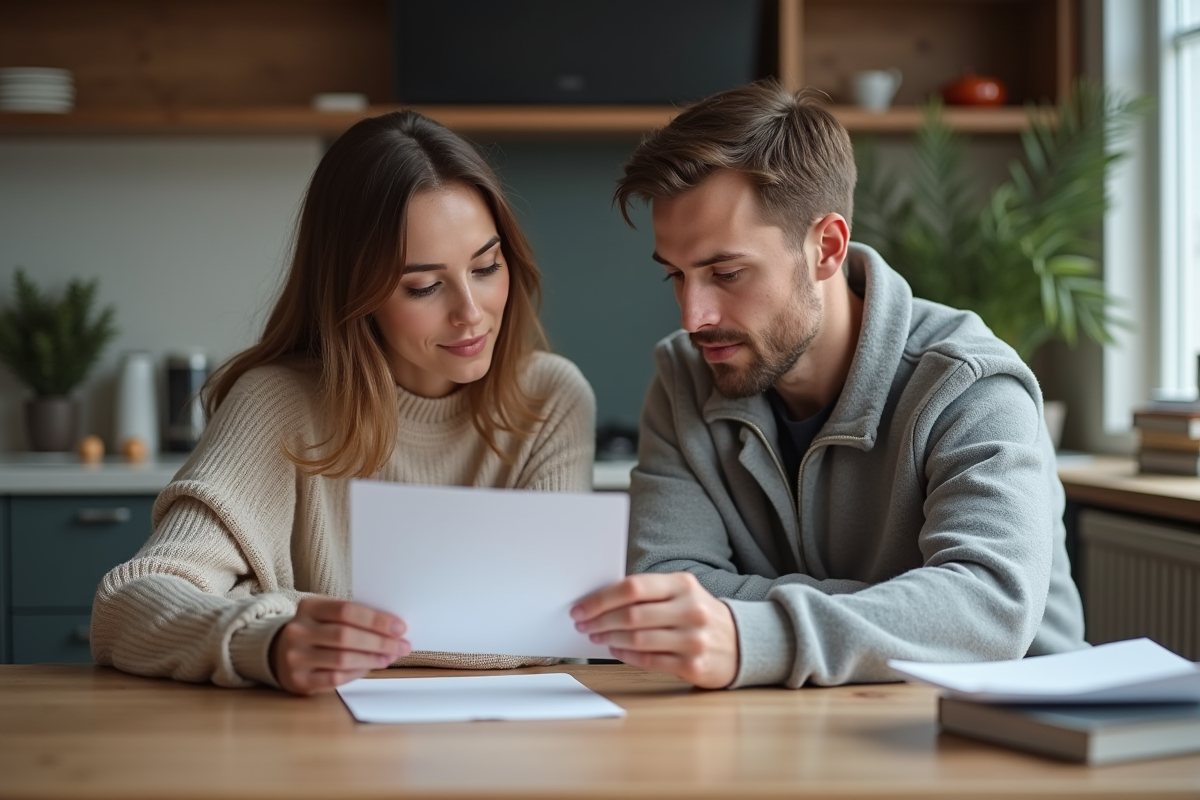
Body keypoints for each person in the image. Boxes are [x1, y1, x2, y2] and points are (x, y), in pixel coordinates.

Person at [571, 79, 1086, 689]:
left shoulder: (969, 386)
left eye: (726, 272)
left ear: (827, 248)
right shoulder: (684, 378)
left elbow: (987, 610)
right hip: (792, 731)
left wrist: (757, 634)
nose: (693, 316)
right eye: (677, 277)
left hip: (999, 741)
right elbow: (669, 586)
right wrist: (902, 605)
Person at [92, 111, 596, 695]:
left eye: (486, 267)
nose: (470, 311)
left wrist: (287, 607)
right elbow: (126, 606)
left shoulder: (551, 398)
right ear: (355, 293)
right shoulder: (278, 404)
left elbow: (551, 623)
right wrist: (270, 640)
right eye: (423, 286)